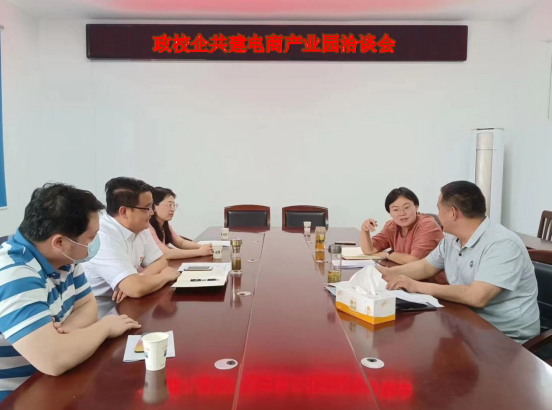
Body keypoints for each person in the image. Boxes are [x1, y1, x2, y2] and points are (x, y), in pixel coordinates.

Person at [0, 184, 141, 401]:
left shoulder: (65, 260)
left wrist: (61, 337)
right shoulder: (15, 274)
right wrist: (105, 327)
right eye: (91, 238)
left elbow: (88, 307)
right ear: (60, 242)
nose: (94, 244)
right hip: (20, 394)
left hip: (55, 380)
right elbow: (54, 360)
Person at [377, 181, 540, 343]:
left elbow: (476, 297)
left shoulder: (502, 244)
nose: (437, 215)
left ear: (453, 213)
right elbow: (426, 266)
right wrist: (387, 273)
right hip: (464, 321)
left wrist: (416, 286)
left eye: (439, 209)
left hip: (505, 337)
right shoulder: (451, 237)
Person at [83, 177, 180, 300]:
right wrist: (164, 276)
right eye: (147, 208)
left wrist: (138, 278)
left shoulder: (140, 226)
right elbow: (136, 289)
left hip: (127, 299)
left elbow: (161, 261)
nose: (152, 212)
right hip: (101, 303)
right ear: (124, 212)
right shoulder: (103, 236)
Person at [360, 187, 444, 265]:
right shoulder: (391, 226)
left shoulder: (427, 225)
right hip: (403, 273)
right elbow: (369, 250)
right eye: (395, 210)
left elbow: (414, 261)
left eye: (406, 207)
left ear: (416, 207)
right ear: (390, 212)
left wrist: (388, 255)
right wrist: (364, 230)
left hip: (429, 276)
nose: (402, 213)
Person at [149, 187, 213, 260]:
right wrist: (200, 252)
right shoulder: (148, 228)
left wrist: (203, 247)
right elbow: (166, 253)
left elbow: (181, 242)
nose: (173, 209)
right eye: (169, 205)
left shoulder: (165, 225)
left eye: (174, 205)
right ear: (154, 207)